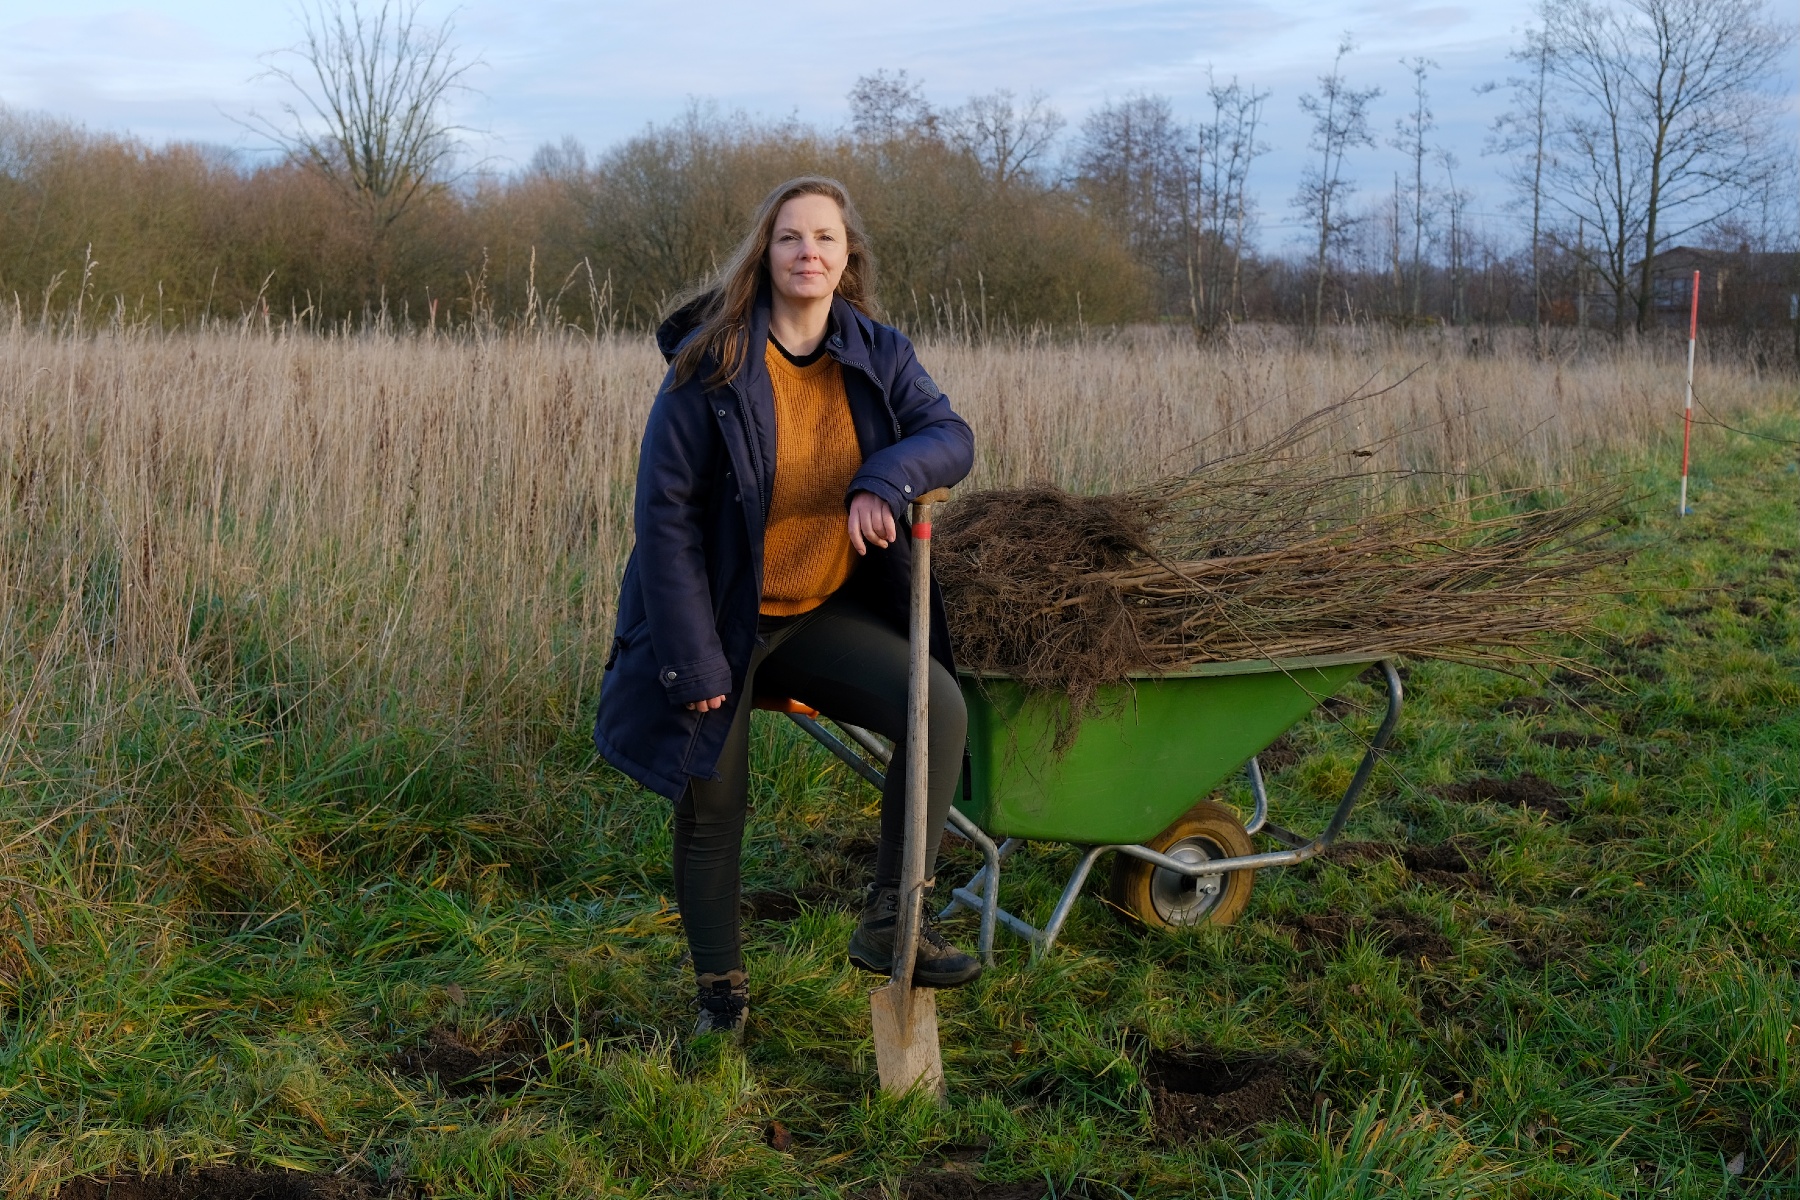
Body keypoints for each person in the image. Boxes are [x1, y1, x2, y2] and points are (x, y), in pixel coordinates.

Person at [593, 176, 980, 1038]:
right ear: (764, 255)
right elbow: (664, 519)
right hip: (716, 620)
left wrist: (885, 478)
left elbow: (950, 436)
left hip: (813, 611)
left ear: (848, 259)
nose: (809, 252)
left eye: (825, 238)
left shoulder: (878, 353)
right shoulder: (712, 363)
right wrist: (693, 660)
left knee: (936, 707)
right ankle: (721, 999)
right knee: (714, 802)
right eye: (791, 237)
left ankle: (893, 919)